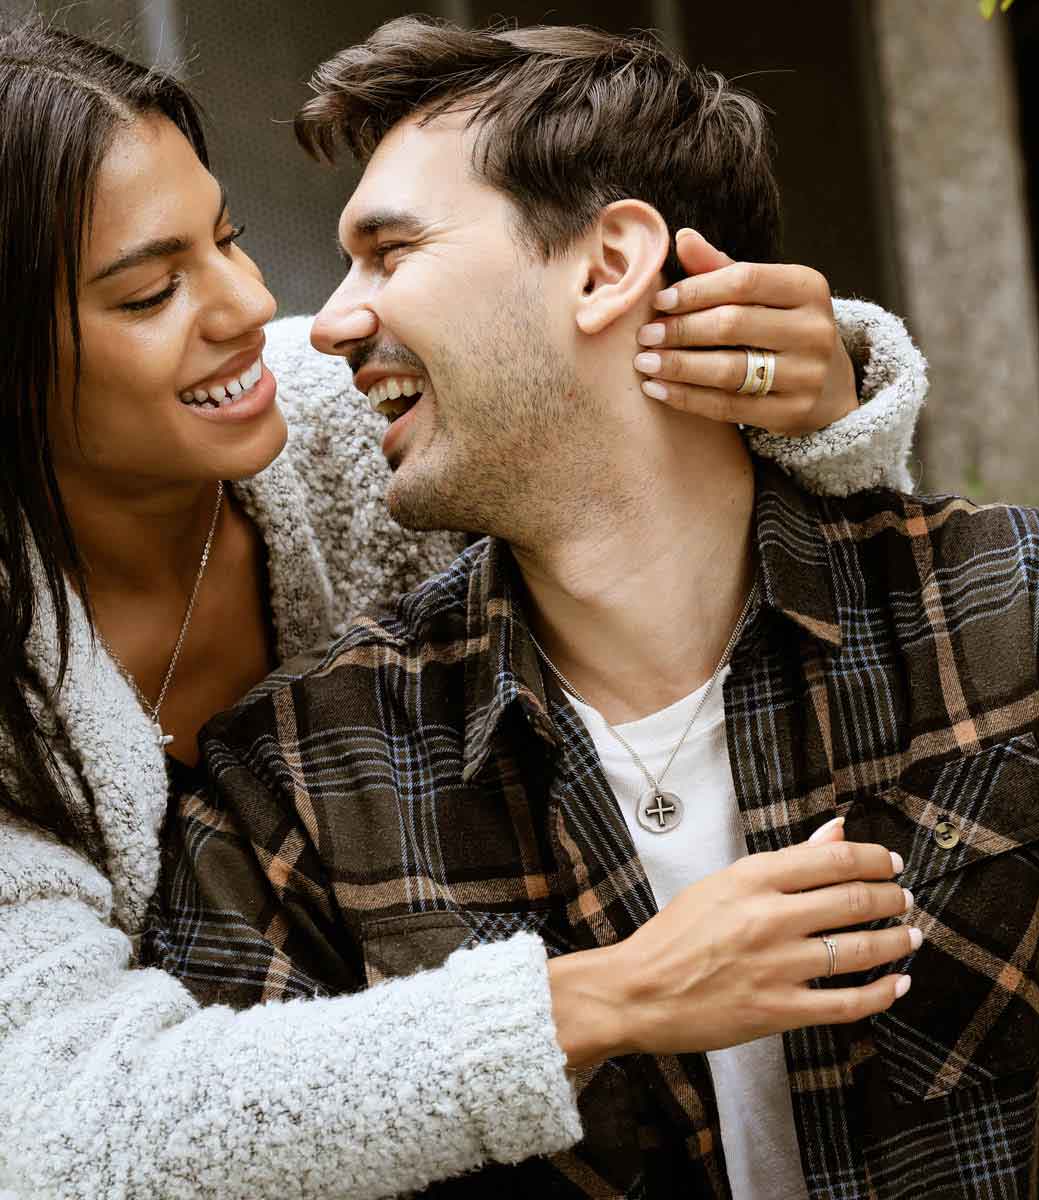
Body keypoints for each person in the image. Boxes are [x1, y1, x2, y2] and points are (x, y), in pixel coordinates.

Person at [175, 17, 1039, 1200]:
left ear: (609, 266)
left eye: (390, 253)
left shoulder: (1038, 615)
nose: (335, 322)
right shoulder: (299, 778)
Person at [0, 18, 932, 1200]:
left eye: (226, 238)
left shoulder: (348, 432)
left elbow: (661, 502)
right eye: (149, 292)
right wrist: (612, 995)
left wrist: (820, 418)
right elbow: (60, 1134)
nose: (251, 304)